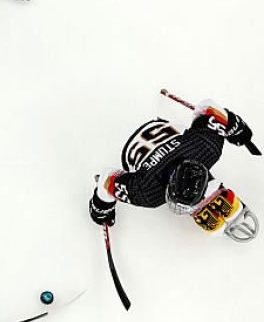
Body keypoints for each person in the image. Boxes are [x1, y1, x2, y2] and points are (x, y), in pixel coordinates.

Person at [89, 99, 258, 241]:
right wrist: (236, 127)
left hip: (145, 141)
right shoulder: (208, 147)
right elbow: (208, 108)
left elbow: (107, 180)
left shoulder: (147, 193)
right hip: (145, 140)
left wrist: (100, 208)